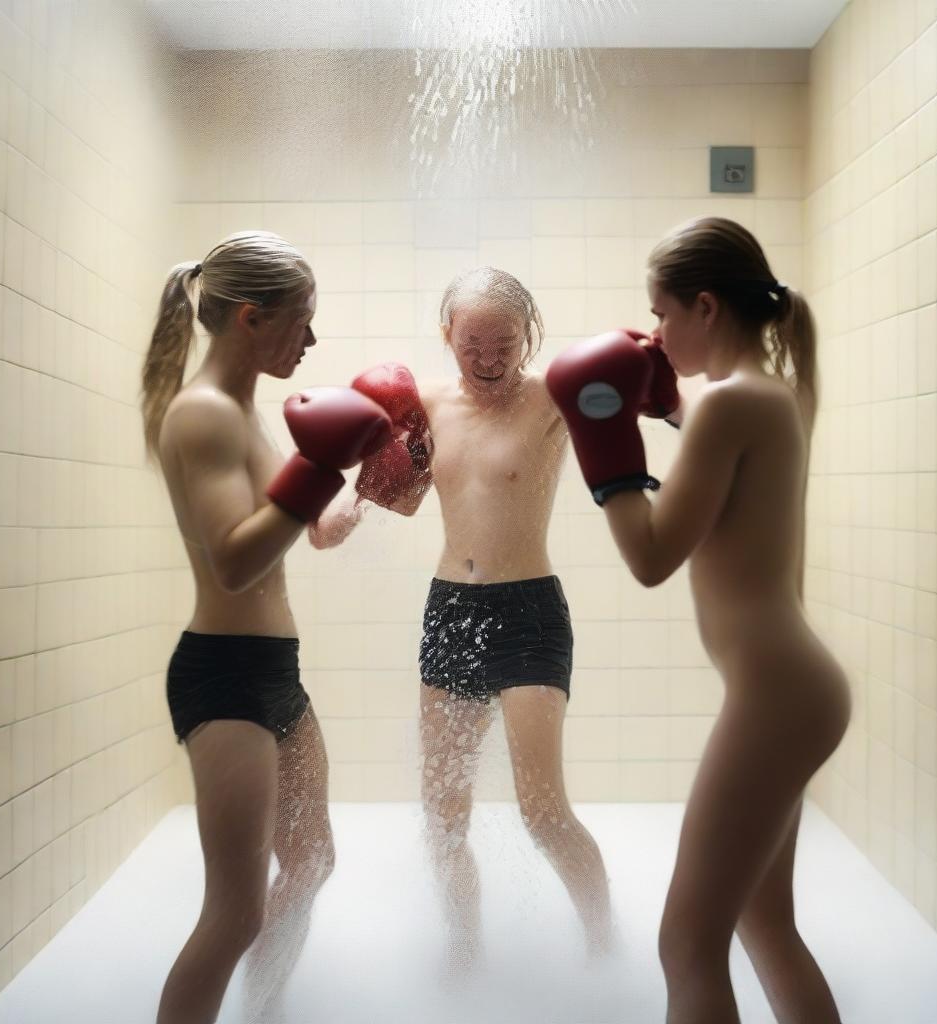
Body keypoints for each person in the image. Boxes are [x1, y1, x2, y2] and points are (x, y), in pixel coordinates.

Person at [311, 266, 679, 970]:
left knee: (543, 812)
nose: (487, 360)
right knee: (444, 819)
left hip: (529, 612)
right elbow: (379, 503)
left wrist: (672, 389)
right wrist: (345, 506)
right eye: (472, 343)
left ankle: (608, 948)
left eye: (504, 342)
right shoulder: (418, 402)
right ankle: (464, 955)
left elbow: (649, 401)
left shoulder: (552, 399)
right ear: (447, 334)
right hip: (451, 611)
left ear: (527, 334)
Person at [546, 217, 850, 1024]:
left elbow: (651, 557)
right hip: (795, 688)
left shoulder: (729, 406)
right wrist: (665, 406)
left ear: (705, 307)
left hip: (777, 698)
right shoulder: (766, 396)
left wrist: (603, 441)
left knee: (687, 944)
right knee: (764, 922)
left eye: (662, 312)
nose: (654, 331)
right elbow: (718, 469)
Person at [141, 231, 391, 1024]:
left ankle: (262, 1012)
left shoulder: (247, 414)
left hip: (273, 673)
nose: (310, 340)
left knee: (312, 858)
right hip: (224, 677)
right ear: (251, 318)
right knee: (236, 911)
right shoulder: (204, 415)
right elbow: (234, 563)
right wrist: (319, 470)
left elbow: (302, 532)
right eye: (303, 321)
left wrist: (370, 484)